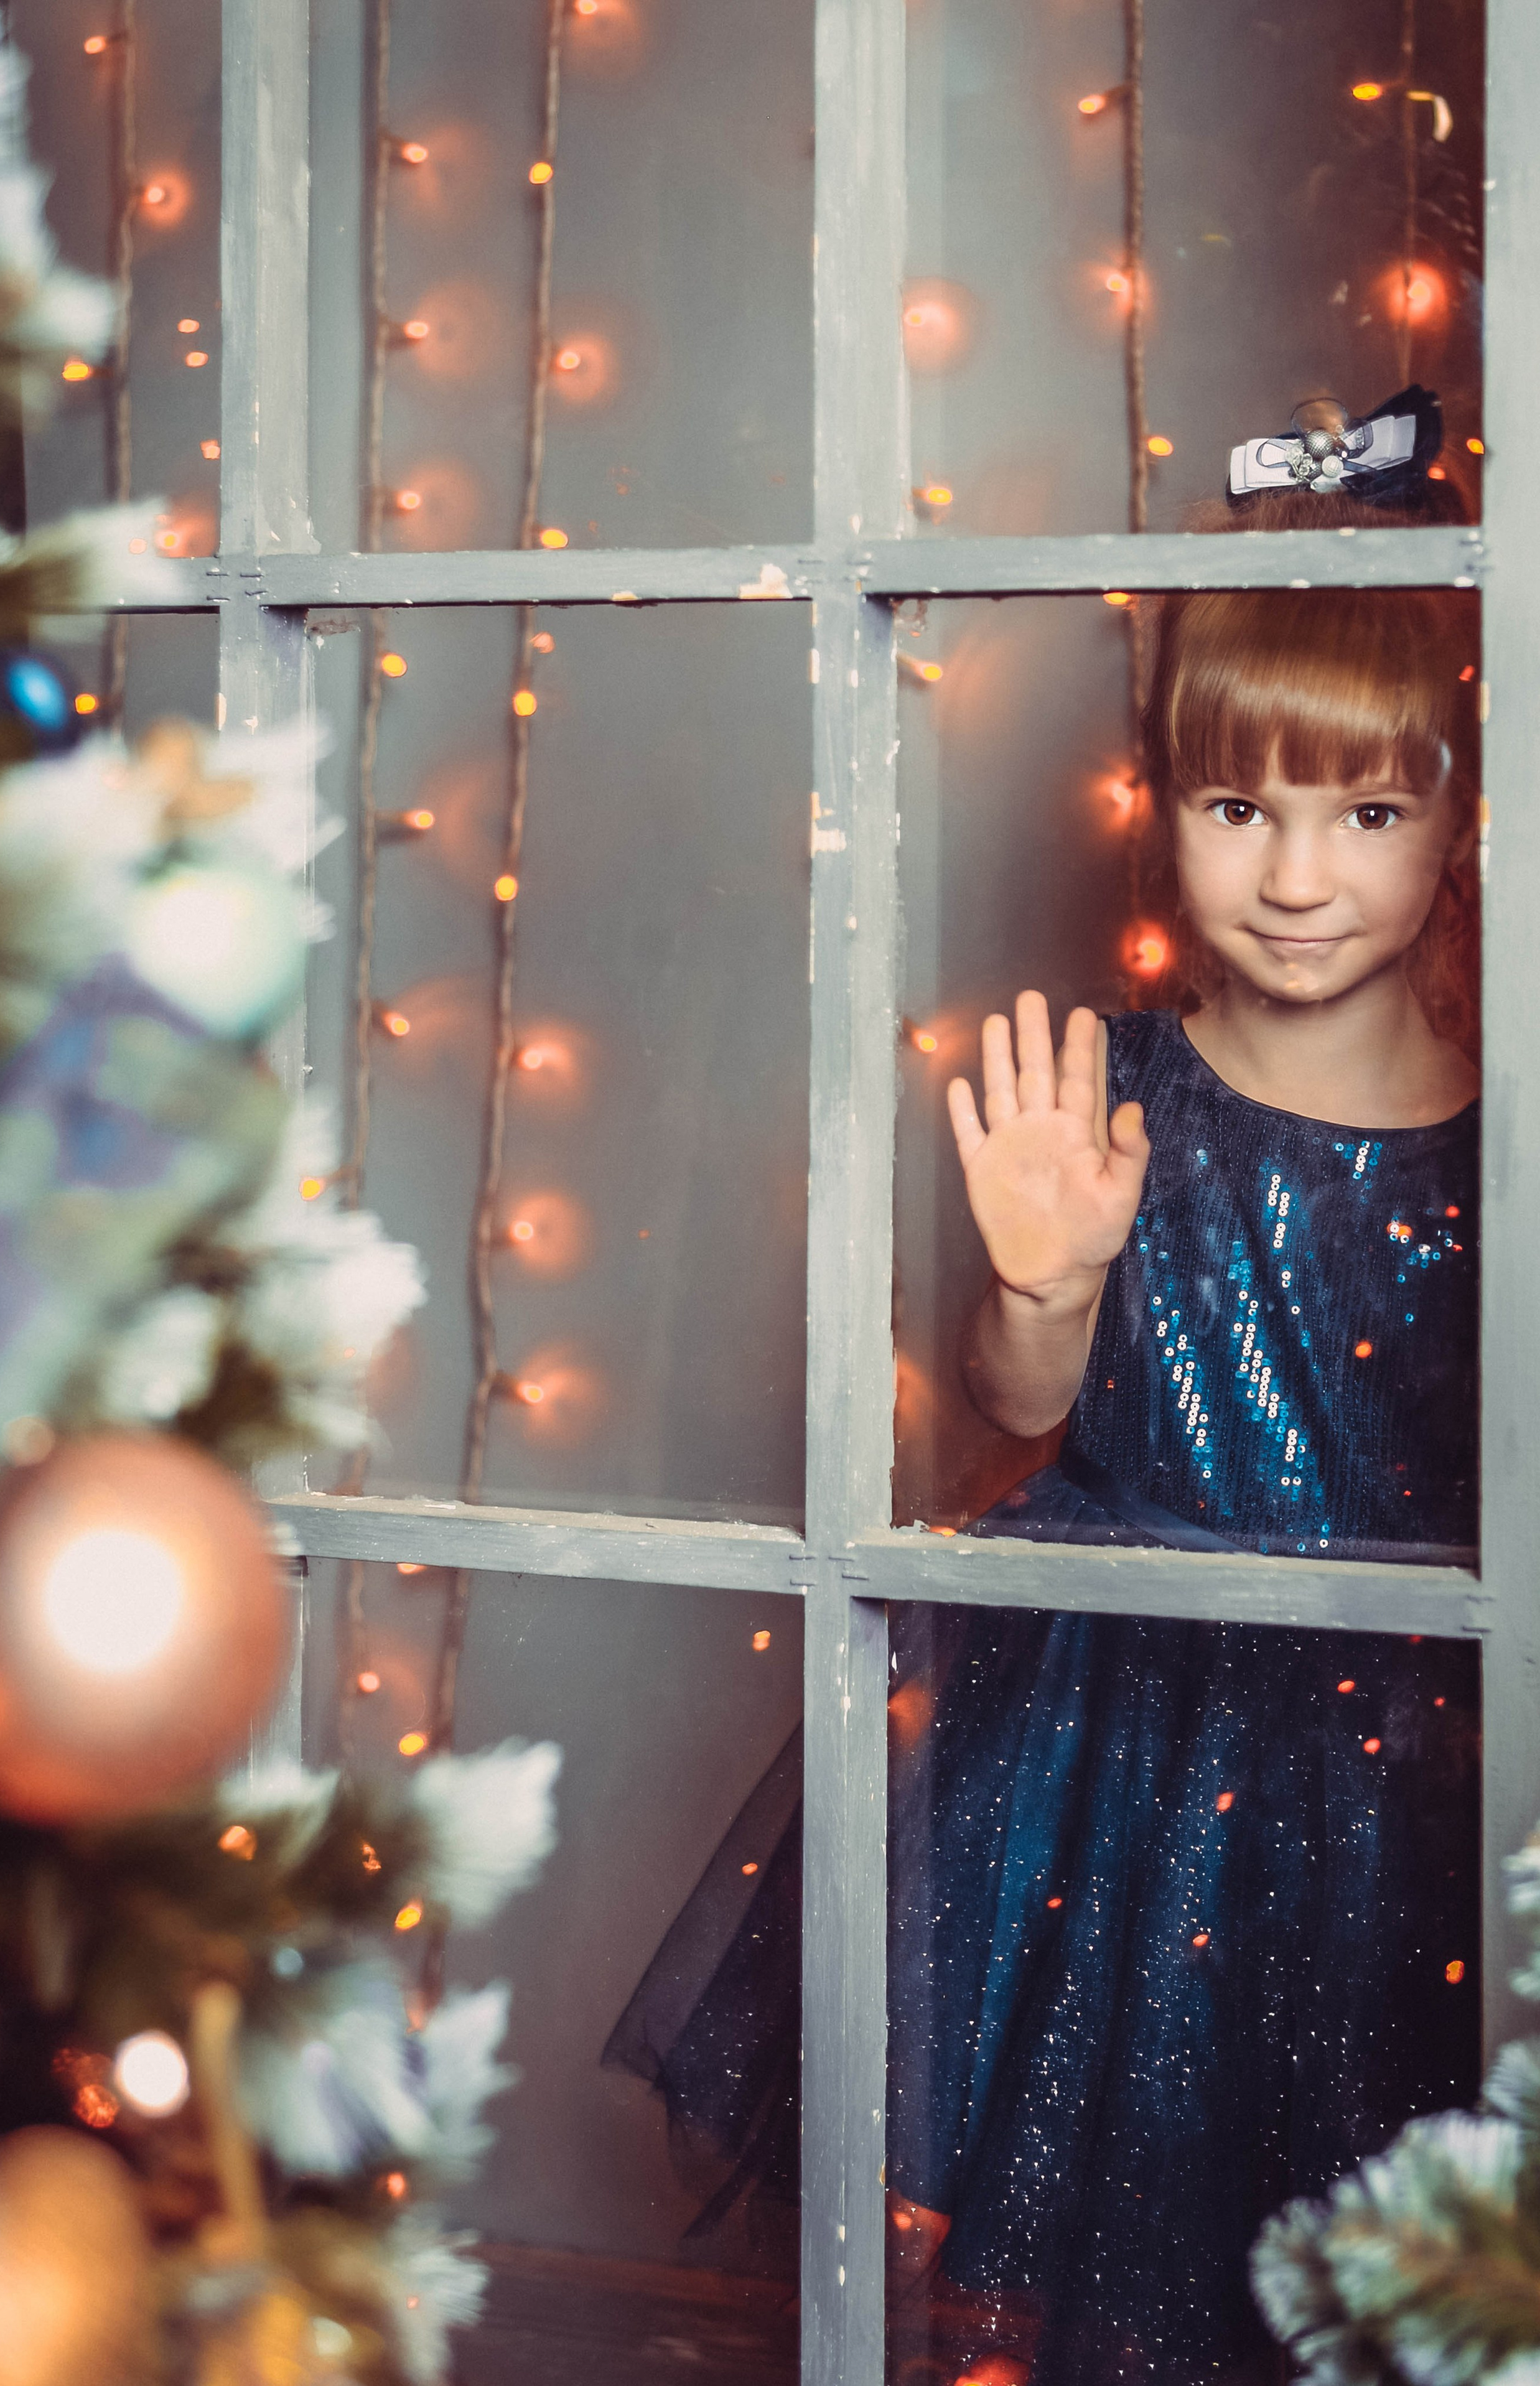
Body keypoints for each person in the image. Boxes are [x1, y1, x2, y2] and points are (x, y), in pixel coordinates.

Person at [607, 394, 1483, 2385]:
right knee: (1080, 2277)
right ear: (1161, 800)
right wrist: (1044, 1272)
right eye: (1237, 804)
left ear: (1455, 819)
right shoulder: (1110, 1089)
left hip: (1402, 1778)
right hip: (1128, 1733)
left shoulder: (1494, 1140)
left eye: (1365, 812)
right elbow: (1019, 1408)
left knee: (1384, 2260)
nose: (1294, 875)